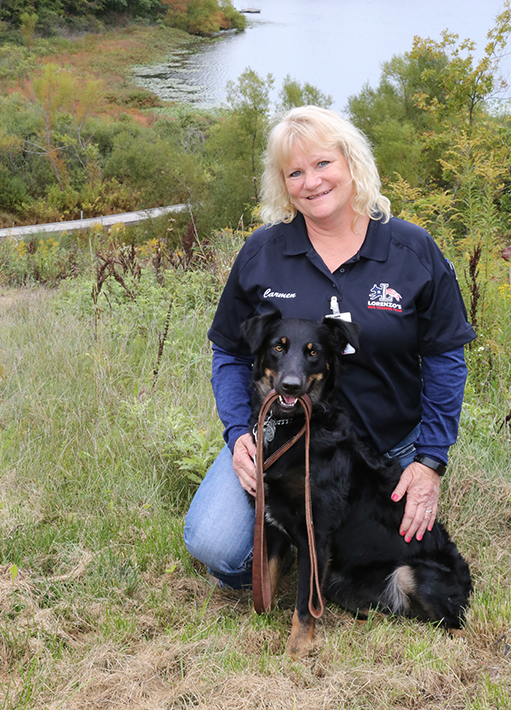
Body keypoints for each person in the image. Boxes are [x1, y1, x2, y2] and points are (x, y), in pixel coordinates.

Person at [184, 106, 475, 589]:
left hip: (383, 447)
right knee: (219, 549)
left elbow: (446, 358)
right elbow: (230, 355)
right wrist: (240, 434)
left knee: (370, 558)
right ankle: (304, 543)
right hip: (279, 440)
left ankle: (322, 546)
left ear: (351, 162)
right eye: (294, 172)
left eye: (322, 164)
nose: (311, 182)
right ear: (283, 184)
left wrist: (429, 461)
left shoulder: (411, 250)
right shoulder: (263, 253)